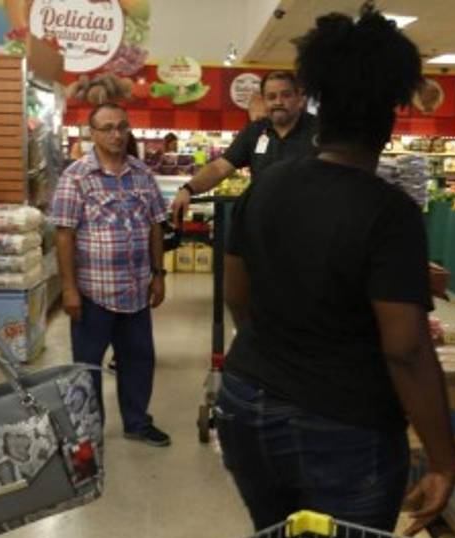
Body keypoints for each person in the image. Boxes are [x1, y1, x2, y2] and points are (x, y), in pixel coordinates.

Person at [216, 9, 455, 538]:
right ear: (392, 112)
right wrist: (445, 456)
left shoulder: (269, 184)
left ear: (315, 99)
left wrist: (287, 350)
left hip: (247, 402)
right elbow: (403, 345)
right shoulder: (388, 213)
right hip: (347, 431)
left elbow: (239, 295)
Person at [51, 102, 171, 447]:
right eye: (107, 128)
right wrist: (69, 290)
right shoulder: (76, 176)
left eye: (122, 126)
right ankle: (89, 431)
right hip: (93, 292)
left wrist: (158, 274)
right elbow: (64, 235)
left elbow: (154, 227)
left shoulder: (142, 174)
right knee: (87, 366)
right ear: (93, 133)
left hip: (135, 290)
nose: (116, 134)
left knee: (139, 360)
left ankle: (136, 421)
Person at [169, 70, 317, 225]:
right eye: (271, 97)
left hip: (308, 223)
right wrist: (188, 189)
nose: (278, 102)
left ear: (299, 99)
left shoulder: (320, 131)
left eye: (285, 95)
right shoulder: (254, 131)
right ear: (264, 101)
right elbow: (219, 168)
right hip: (263, 224)